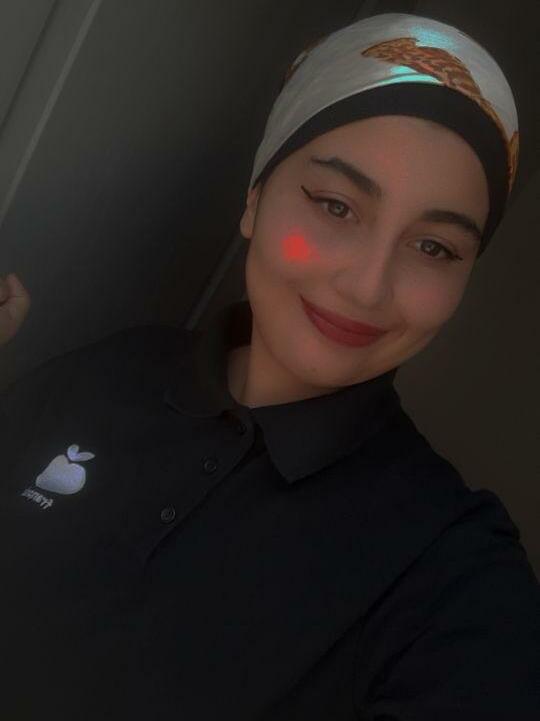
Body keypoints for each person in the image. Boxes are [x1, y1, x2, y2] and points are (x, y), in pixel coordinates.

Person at [1, 12, 539, 721]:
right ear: (255, 199)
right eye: (336, 205)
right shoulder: (114, 370)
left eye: (434, 247)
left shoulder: (451, 574)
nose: (367, 286)